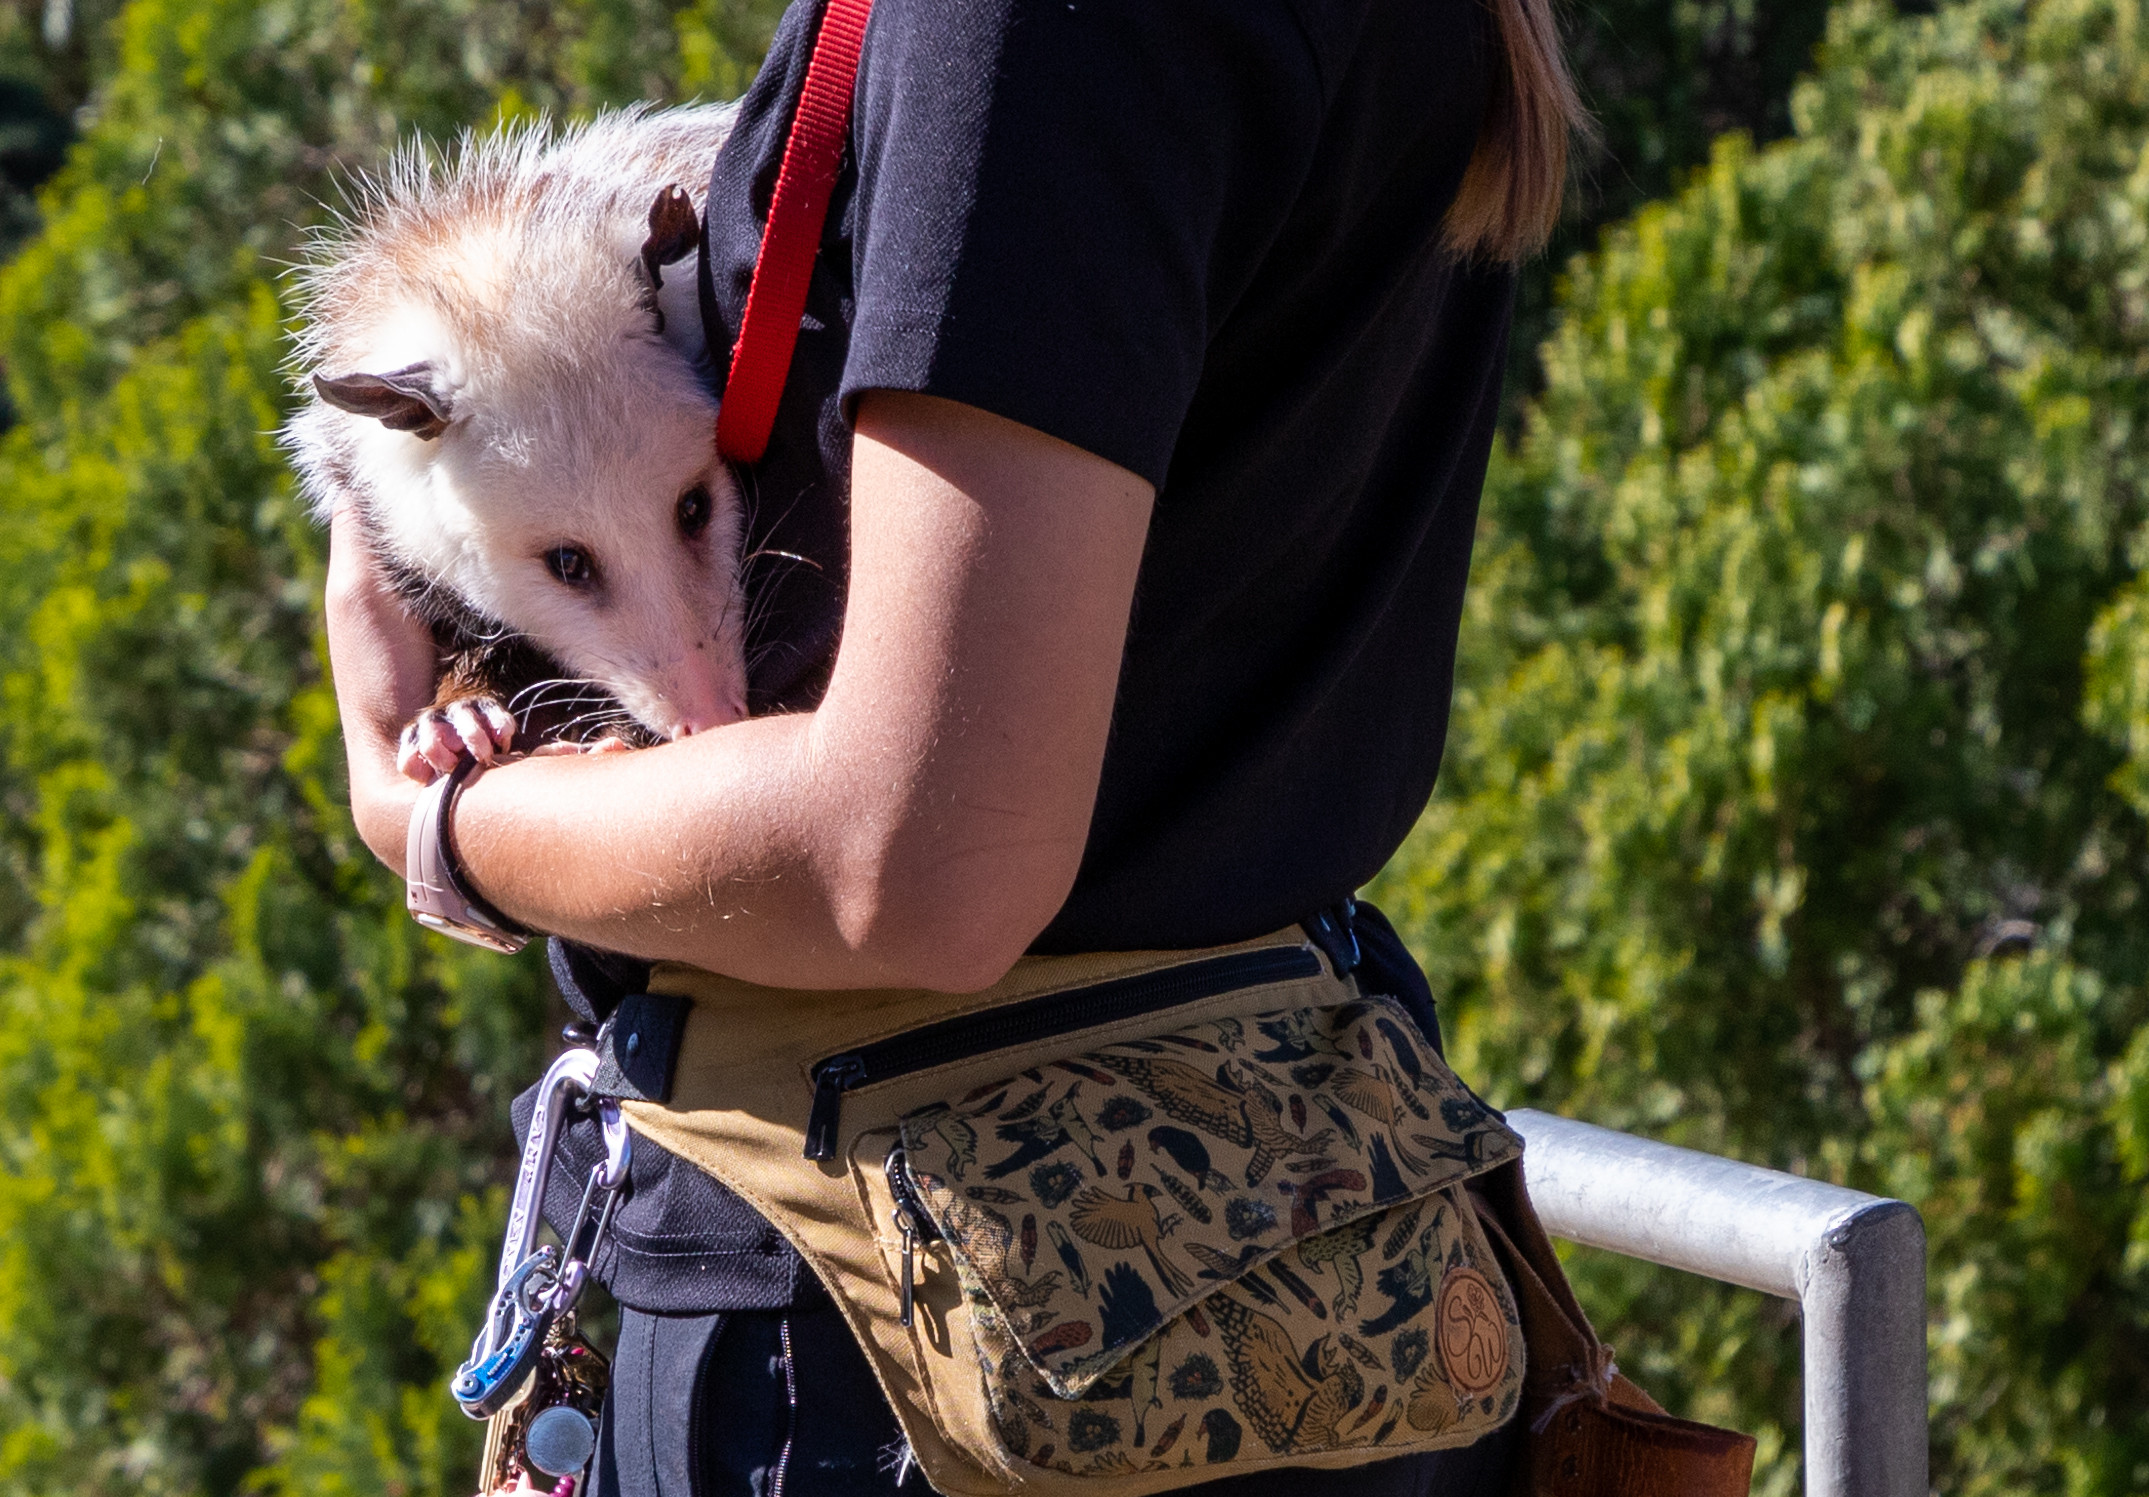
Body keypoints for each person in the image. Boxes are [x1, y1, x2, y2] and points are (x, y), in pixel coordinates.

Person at [323, 0, 1583, 1490]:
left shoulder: (1033, 41)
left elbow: (912, 862)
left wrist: (440, 818)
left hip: (915, 1307)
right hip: (1323, 1226)